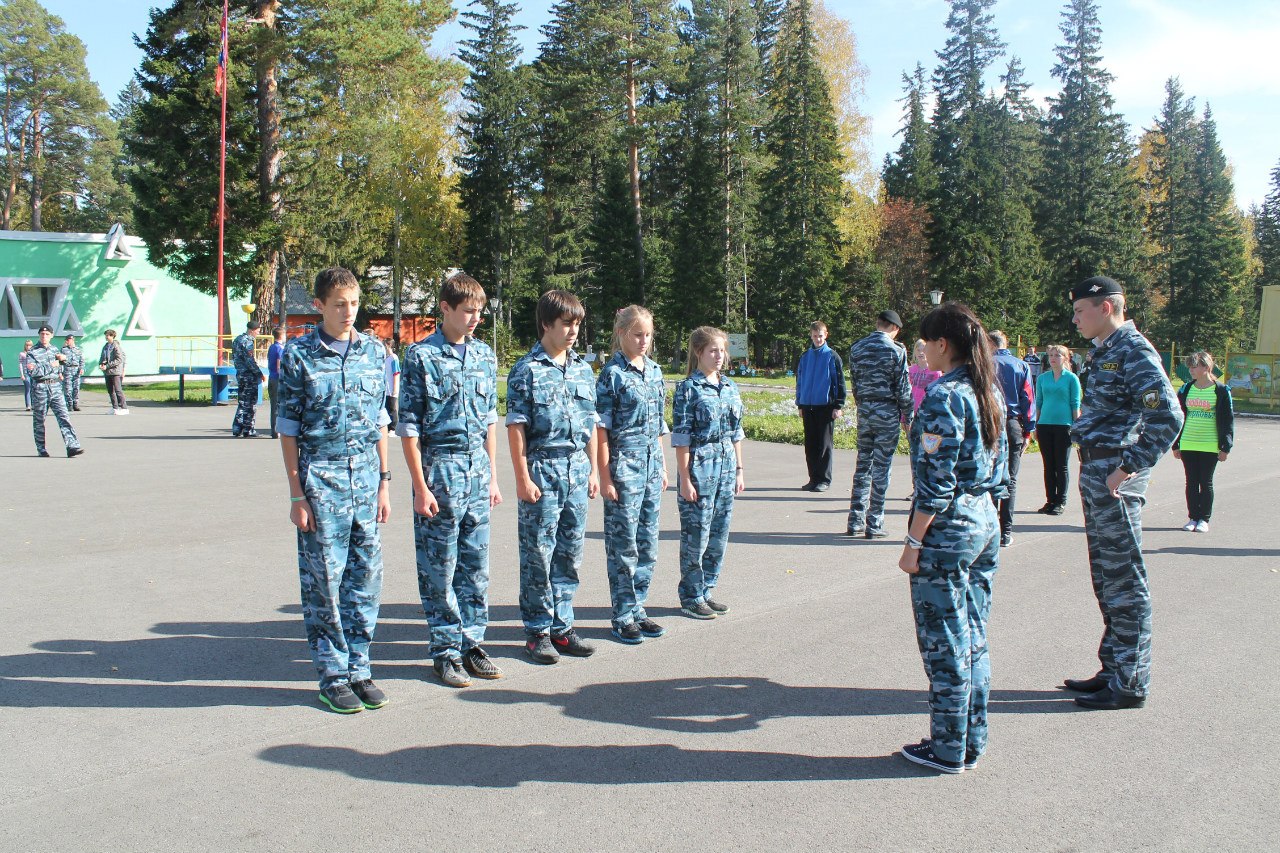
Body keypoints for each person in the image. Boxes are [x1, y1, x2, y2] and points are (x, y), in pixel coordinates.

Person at [276, 267, 392, 714]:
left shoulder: (372, 351)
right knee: (325, 581)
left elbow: (381, 421)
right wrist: (295, 494)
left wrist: (384, 483)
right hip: (320, 480)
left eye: (355, 303)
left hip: (365, 479)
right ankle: (332, 674)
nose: (349, 312)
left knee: (366, 580)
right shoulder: (298, 355)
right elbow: (287, 428)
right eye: (340, 304)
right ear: (320, 305)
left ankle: (360, 668)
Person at [897, 301, 1007, 774]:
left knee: (944, 642)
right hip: (984, 521)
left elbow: (936, 483)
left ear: (944, 344)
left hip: (950, 531)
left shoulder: (946, 396)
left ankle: (946, 749)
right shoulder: (988, 392)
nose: (921, 350)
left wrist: (914, 543)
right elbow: (1001, 470)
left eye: (925, 341)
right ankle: (969, 741)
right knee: (973, 638)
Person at [1063, 275, 1182, 711]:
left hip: (1115, 473)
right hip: (1097, 467)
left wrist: (1128, 468)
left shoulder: (1133, 350)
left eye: (1081, 311)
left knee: (1125, 579)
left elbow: (1168, 417)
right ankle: (1114, 666)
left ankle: (1130, 682)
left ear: (1107, 307)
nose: (1075, 319)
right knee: (1106, 574)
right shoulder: (1106, 351)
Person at [397, 272, 504, 688]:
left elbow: (489, 422)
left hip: (476, 470)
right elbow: (407, 427)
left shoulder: (484, 356)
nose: (475, 319)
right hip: (439, 469)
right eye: (468, 311)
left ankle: (471, 642)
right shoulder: (421, 357)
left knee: (476, 565)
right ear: (445, 309)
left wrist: (493, 477)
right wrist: (420, 486)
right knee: (440, 567)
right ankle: (444, 650)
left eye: (479, 311)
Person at [505, 289, 600, 664]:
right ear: (547, 324)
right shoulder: (526, 370)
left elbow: (591, 424)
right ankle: (537, 631)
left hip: (576, 468)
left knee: (569, 554)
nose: (573, 330)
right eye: (566, 323)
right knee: (537, 555)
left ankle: (563, 626)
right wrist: (522, 477)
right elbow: (516, 428)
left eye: (577, 323)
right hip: (542, 469)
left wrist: (592, 469)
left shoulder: (581, 369)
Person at [596, 305, 671, 644]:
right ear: (622, 334)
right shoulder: (611, 375)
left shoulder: (654, 372)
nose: (644, 341)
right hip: (624, 468)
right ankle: (623, 614)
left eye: (648, 335)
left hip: (652, 468)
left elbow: (658, 426)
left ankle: (639, 607)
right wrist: (606, 475)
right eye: (637, 334)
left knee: (648, 544)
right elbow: (601, 430)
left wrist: (664, 465)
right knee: (623, 546)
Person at [672, 326, 745, 619]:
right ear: (699, 352)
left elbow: (737, 432)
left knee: (718, 534)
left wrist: (740, 470)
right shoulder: (689, 389)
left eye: (722, 350)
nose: (719, 356)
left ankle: (707, 589)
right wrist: (685, 478)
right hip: (700, 468)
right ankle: (691, 595)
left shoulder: (730, 386)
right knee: (696, 535)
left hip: (726, 467)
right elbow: (682, 437)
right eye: (713, 350)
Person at [846, 309, 913, 538]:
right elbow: (903, 388)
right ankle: (874, 523)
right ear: (894, 328)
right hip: (887, 412)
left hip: (865, 411)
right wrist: (908, 416)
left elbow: (854, 382)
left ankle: (855, 520)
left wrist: (862, 404)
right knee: (882, 468)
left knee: (863, 465)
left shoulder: (857, 347)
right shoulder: (896, 350)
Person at [1172, 351, 1233, 534]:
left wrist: (1225, 446)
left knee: (1205, 482)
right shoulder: (1185, 389)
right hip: (1189, 441)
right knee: (1191, 481)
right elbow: (1177, 417)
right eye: (1189, 366)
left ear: (1206, 367)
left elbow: (1227, 420)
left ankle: (1204, 519)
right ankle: (1192, 518)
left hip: (1210, 443)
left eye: (1194, 366)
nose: (1190, 370)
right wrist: (1176, 444)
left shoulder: (1221, 390)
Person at [988, 330, 1036, 547]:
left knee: (987, 476)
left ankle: (989, 530)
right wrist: (1028, 430)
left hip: (988, 422)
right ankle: (1006, 532)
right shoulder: (1020, 365)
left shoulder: (983, 364)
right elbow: (1028, 399)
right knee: (1010, 479)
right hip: (1011, 422)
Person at [794, 320, 846, 492]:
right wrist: (800, 403)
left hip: (825, 407)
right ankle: (813, 478)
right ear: (811, 335)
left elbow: (839, 382)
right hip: (808, 406)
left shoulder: (832, 356)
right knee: (810, 445)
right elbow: (800, 381)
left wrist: (838, 405)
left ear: (826, 335)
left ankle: (824, 479)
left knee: (824, 445)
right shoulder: (805, 357)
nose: (817, 339)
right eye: (815, 336)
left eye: (820, 336)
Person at [1033, 344, 1081, 515]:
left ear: (1066, 358)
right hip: (1045, 424)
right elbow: (1039, 403)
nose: (1053, 358)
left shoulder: (1071, 378)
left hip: (1064, 425)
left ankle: (1060, 501)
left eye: (1057, 355)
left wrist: (1077, 427)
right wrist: (1036, 425)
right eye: (1051, 355)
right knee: (1048, 465)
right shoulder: (1043, 378)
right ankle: (1050, 500)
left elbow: (1075, 404)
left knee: (1061, 466)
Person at [28, 324, 84, 458]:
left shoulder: (55, 350)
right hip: (40, 388)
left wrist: (64, 360)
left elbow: (69, 364)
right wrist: (51, 365)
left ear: (51, 336)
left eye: (47, 334)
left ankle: (72, 446)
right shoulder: (32, 352)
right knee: (39, 420)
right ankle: (41, 448)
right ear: (39, 335)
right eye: (42, 334)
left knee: (64, 416)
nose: (44, 336)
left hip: (55, 387)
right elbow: (33, 372)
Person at [231, 319, 264, 436]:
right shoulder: (248, 342)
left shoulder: (237, 340)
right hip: (249, 375)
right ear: (252, 330)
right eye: (258, 331)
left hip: (240, 374)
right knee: (250, 403)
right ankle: (248, 429)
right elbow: (249, 360)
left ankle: (237, 428)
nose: (258, 333)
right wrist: (259, 373)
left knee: (243, 401)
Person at [908, 339, 942, 413]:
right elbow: (906, 392)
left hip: (927, 412)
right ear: (914, 352)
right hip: (911, 410)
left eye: (923, 350)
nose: (921, 353)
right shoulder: (910, 370)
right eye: (918, 350)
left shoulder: (935, 372)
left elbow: (938, 394)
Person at [98, 330, 128, 414]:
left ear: (112, 336)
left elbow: (119, 359)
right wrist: (101, 364)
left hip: (115, 372)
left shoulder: (116, 346)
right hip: (107, 372)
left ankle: (124, 408)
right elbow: (102, 356)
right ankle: (115, 408)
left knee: (118, 390)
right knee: (110, 390)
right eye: (106, 335)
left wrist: (107, 366)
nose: (106, 337)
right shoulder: (106, 346)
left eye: (107, 335)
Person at [267, 326, 286, 440]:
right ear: (281, 336)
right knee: (277, 406)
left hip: (271, 377)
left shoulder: (272, 347)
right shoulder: (280, 348)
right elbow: (279, 365)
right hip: (278, 378)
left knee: (273, 404)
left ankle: (274, 430)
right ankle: (275, 431)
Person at [60, 335, 84, 411]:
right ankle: (69, 404)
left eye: (69, 340)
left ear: (73, 340)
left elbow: (82, 360)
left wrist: (82, 368)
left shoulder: (78, 350)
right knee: (67, 388)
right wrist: (60, 372)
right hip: (67, 370)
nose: (67, 341)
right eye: (66, 340)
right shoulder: (63, 350)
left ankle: (75, 404)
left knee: (76, 388)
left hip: (76, 370)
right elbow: (60, 362)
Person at [383, 338, 400, 429]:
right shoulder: (386, 358)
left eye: (384, 344)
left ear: (388, 345)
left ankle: (394, 427)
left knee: (392, 408)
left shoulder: (394, 358)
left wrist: (395, 389)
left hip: (392, 388)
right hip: (386, 388)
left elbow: (396, 373)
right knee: (387, 407)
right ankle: (389, 427)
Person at [19, 339, 34, 410]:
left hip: (33, 373)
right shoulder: (22, 354)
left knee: (34, 389)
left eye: (30, 345)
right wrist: (22, 374)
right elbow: (20, 364)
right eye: (27, 345)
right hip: (26, 373)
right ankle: (28, 405)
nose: (29, 346)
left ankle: (34, 404)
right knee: (28, 388)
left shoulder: (33, 353)